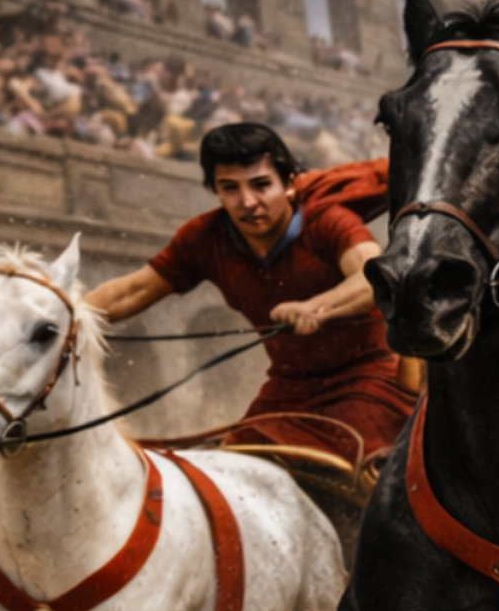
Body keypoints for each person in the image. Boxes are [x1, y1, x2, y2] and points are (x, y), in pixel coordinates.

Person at [84, 122, 416, 471]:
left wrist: (316, 308)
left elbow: (371, 278)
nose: (247, 202)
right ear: (215, 190)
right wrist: (67, 313)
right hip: (289, 389)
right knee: (235, 470)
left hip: (369, 380)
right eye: (230, 188)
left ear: (288, 184)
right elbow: (134, 290)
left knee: (354, 474)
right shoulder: (204, 238)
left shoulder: (327, 220)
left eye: (261, 185)